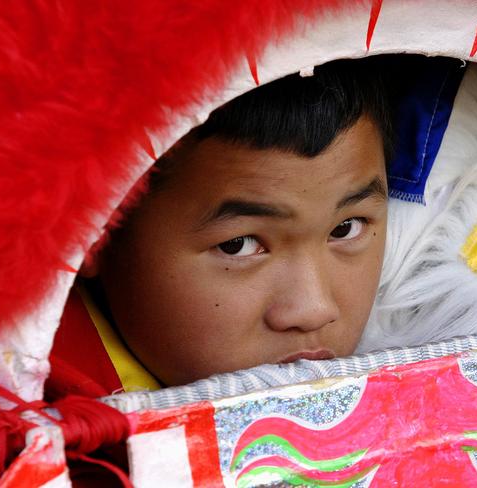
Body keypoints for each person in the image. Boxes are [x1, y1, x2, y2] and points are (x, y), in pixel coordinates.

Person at [74, 58, 394, 387]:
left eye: (345, 228)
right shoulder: (41, 423)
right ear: (93, 235)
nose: (314, 310)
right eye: (237, 245)